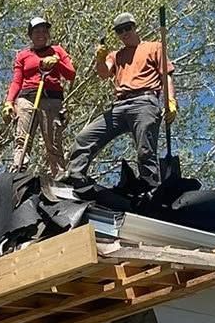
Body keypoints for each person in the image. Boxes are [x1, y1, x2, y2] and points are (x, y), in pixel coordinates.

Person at [66, 11, 177, 190]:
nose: (124, 33)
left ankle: (150, 187)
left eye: (127, 28)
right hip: (119, 105)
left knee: (145, 149)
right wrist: (100, 58)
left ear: (135, 27)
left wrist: (170, 101)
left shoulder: (153, 47)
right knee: (85, 137)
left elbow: (167, 76)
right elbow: (103, 73)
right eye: (119, 30)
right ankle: (75, 176)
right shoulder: (115, 55)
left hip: (144, 101)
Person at [3, 16, 75, 173]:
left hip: (51, 99)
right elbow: (16, 81)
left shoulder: (57, 51)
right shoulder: (23, 55)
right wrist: (9, 102)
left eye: (44, 31)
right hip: (27, 98)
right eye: (37, 31)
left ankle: (58, 175)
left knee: (52, 141)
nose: (41, 34)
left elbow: (71, 74)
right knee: (23, 138)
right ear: (30, 35)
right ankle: (18, 171)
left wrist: (57, 63)